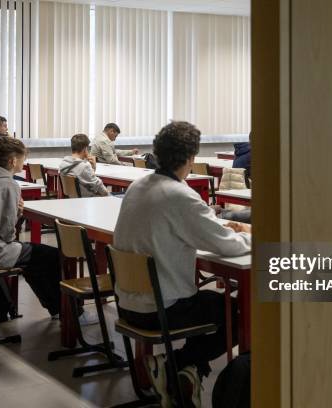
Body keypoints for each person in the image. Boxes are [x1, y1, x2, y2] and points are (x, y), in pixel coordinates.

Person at [113, 121, 251, 407]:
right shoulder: (179, 195)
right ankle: (179, 364)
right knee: (235, 313)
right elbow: (226, 245)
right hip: (161, 309)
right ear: (191, 158)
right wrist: (254, 238)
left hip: (127, 304)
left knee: (213, 303)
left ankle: (186, 373)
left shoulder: (138, 186)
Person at [0, 137, 61, 318]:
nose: (23, 163)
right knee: (52, 256)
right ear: (13, 161)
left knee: (35, 257)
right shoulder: (8, 184)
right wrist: (17, 214)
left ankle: (55, 308)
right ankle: (67, 311)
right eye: (23, 159)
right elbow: (7, 235)